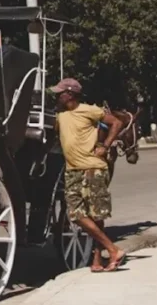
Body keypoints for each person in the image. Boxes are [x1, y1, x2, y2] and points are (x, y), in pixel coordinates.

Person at [51, 78, 127, 272]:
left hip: (93, 168)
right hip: (72, 170)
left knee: (95, 215)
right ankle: (110, 251)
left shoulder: (89, 110)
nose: (57, 96)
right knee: (76, 214)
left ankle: (102, 256)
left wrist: (105, 145)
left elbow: (116, 122)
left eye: (60, 93)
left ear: (70, 94)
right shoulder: (60, 116)